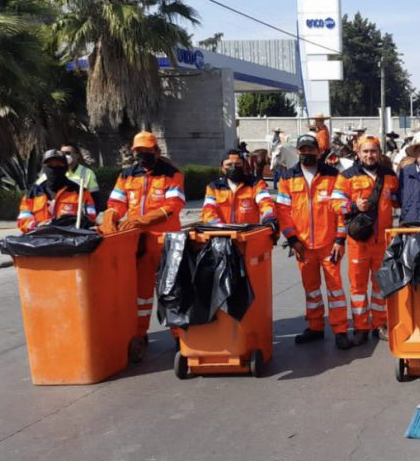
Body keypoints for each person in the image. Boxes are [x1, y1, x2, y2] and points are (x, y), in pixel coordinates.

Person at [99, 132, 185, 345]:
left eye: (147, 151)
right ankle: (139, 334)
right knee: (142, 293)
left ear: (157, 151)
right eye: (139, 152)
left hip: (166, 241)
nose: (143, 155)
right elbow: (117, 203)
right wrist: (110, 217)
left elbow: (173, 206)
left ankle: (180, 336)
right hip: (139, 244)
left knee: (170, 290)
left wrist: (142, 221)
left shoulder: (172, 174)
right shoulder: (127, 175)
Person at [275, 134, 350, 350]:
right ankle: (315, 327)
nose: (307, 153)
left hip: (330, 245)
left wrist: (339, 239)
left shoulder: (334, 176)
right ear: (297, 152)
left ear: (319, 151)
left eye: (311, 149)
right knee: (312, 290)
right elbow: (283, 212)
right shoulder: (287, 178)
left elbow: (341, 213)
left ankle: (340, 329)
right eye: (303, 149)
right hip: (303, 246)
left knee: (335, 289)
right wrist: (292, 240)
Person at [333, 134, 400, 345]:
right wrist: (353, 206)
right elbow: (335, 204)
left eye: (373, 151)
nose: (370, 155)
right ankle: (361, 327)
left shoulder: (390, 176)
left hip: (383, 243)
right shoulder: (346, 176)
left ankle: (380, 324)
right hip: (358, 243)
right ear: (358, 153)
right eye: (366, 151)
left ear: (379, 153)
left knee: (381, 286)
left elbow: (399, 201)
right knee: (358, 288)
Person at [17, 150, 97, 231]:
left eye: (59, 165)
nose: (54, 168)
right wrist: (35, 225)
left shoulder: (80, 192)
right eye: (50, 165)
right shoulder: (32, 193)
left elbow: (91, 219)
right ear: (44, 168)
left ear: (65, 167)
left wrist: (75, 224)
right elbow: (23, 221)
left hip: (70, 240)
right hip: (39, 239)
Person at [202, 148, 276, 226]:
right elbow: (208, 209)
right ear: (222, 168)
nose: (234, 168)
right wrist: (219, 227)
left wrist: (269, 217)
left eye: (238, 164)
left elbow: (265, 201)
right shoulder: (214, 187)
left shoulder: (255, 184)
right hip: (222, 234)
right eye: (229, 165)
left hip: (248, 234)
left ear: (243, 165)